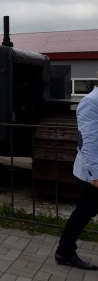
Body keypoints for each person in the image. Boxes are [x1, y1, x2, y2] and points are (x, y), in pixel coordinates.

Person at [55, 74, 98, 270]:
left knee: (85, 210)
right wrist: (95, 174)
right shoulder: (91, 102)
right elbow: (88, 141)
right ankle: (65, 251)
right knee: (84, 211)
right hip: (93, 171)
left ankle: (64, 251)